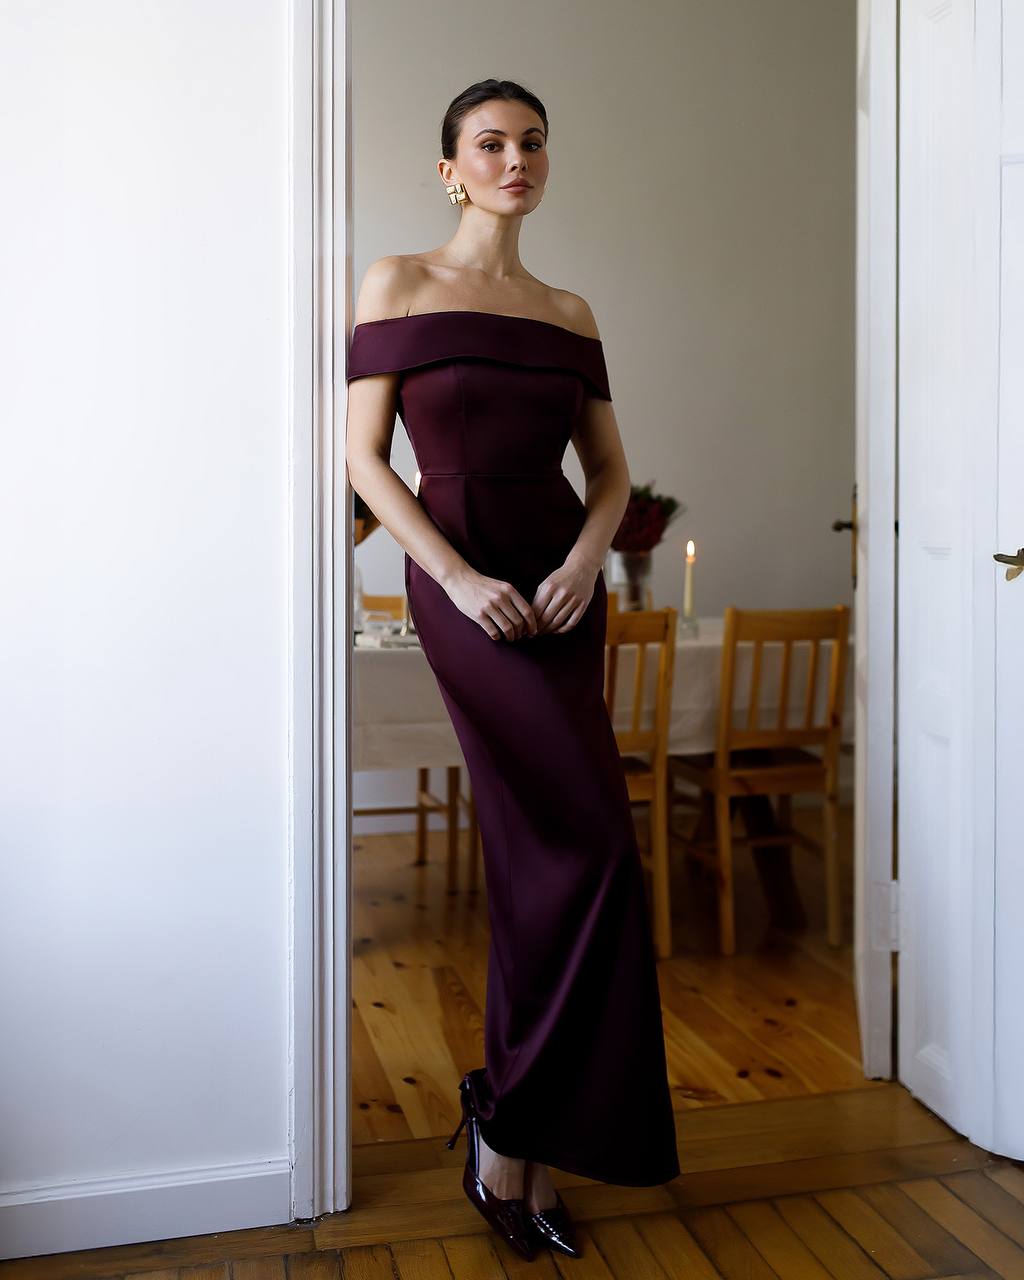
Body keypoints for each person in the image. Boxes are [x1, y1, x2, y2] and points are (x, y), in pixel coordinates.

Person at [345, 78, 680, 1263]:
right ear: (451, 169)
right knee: (570, 846)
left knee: (577, 855)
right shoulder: (396, 281)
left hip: (559, 590)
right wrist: (449, 575)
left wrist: (591, 561)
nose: (515, 158)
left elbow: (609, 473)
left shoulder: (568, 309)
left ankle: (516, 1122)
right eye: (490, 143)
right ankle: (508, 1128)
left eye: (532, 142)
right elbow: (365, 460)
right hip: (461, 587)